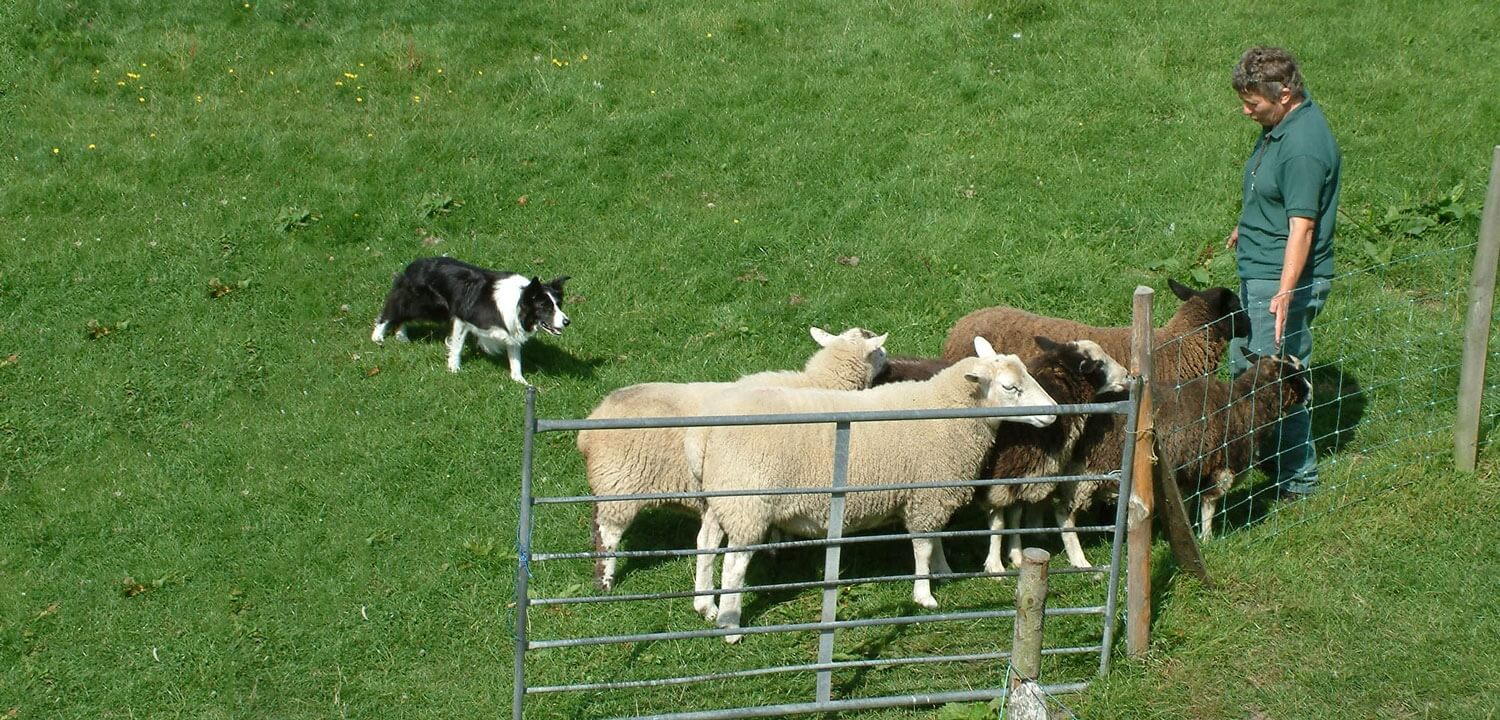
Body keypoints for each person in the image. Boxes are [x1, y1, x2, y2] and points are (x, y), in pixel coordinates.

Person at [1224, 46, 1340, 499]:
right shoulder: (1282, 126)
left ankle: (1298, 480)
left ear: (1285, 93)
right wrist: (1247, 224)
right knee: (1247, 367)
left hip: (1278, 278)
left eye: (1253, 102)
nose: (1246, 110)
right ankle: (1269, 460)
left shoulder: (1303, 148)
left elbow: (1304, 227)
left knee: (1276, 380)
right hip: (1262, 268)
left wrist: (1285, 292)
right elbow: (1276, 196)